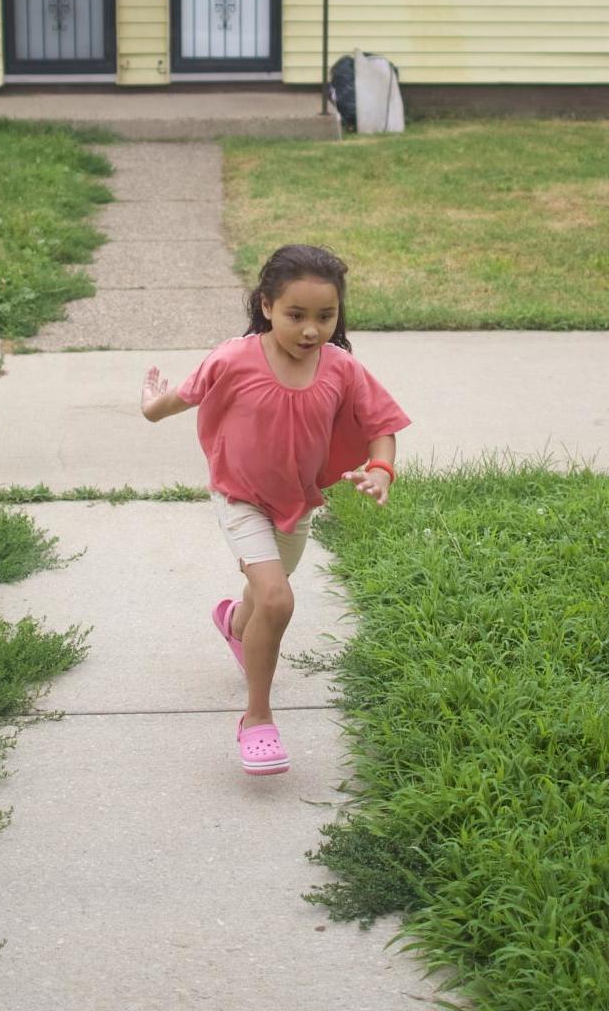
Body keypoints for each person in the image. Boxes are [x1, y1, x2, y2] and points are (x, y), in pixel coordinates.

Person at [140, 243, 409, 776]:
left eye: (325, 317)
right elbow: (182, 398)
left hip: (297, 503)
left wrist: (381, 471)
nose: (311, 330)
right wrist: (152, 402)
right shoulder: (234, 357)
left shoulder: (341, 368)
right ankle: (257, 720)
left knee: (265, 594)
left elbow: (382, 427)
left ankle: (235, 625)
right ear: (265, 306)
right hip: (238, 495)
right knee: (278, 599)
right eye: (296, 315)